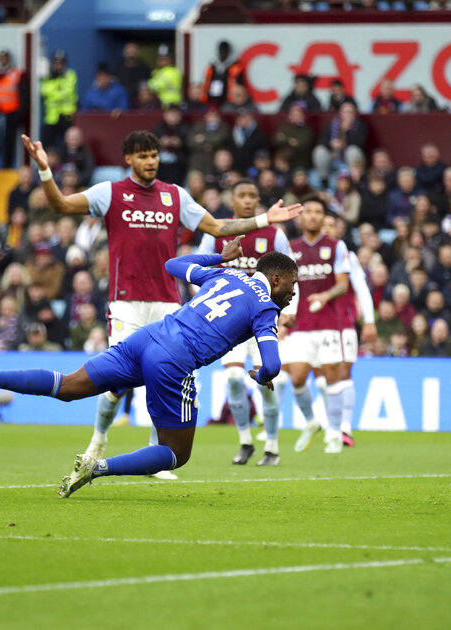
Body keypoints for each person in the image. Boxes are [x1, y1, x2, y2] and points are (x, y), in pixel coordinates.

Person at [19, 130, 303, 478]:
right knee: (120, 383)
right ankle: (100, 439)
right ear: (128, 159)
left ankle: (155, 458)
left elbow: (217, 226)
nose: (150, 161)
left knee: (166, 375)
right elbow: (62, 205)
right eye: (143, 155)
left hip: (168, 301)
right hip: (126, 300)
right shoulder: (110, 193)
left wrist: (263, 220)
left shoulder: (175, 196)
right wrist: (46, 171)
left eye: (154, 154)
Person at [0, 242, 298, 498]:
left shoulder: (225, 277)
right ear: (278, 279)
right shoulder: (266, 307)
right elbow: (271, 364)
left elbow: (175, 263)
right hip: (175, 361)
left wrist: (221, 256)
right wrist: (261, 377)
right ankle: (96, 467)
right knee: (177, 453)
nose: (293, 295)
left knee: (69, 386)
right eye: (293, 286)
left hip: (148, 337)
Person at [197, 180, 294, 466]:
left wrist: (289, 311)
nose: (248, 200)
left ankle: (273, 447)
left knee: (266, 382)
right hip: (230, 323)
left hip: (263, 321)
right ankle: (245, 442)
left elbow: (291, 274)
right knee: (235, 379)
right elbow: (199, 271)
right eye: (242, 195)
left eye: (253, 195)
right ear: (233, 199)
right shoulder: (216, 231)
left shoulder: (273, 234)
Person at [287, 196, 352, 454]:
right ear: (301, 217)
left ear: (324, 217)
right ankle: (312, 421)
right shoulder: (291, 248)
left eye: (318, 212)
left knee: (332, 379)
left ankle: (334, 432)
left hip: (328, 324)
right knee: (298, 377)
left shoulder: (336, 246)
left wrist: (325, 295)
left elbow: (343, 284)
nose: (313, 216)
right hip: (301, 325)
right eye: (308, 212)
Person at [322, 213, 376, 448]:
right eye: (325, 225)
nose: (327, 230)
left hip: (343, 323)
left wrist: (370, 321)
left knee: (344, 372)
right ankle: (327, 424)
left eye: (332, 226)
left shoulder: (347, 256)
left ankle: (344, 427)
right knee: (318, 376)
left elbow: (361, 288)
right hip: (312, 327)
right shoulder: (304, 255)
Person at [0, 49, 26, 169]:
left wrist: (19, 114)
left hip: (11, 114)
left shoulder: (17, 74)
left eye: (5, 57)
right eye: (1, 57)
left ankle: (7, 166)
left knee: (9, 143)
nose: (3, 60)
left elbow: (24, 96)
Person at [39, 51, 77, 147]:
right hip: (52, 117)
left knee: (69, 144)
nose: (58, 66)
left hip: (67, 116)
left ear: (64, 64)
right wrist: (56, 83)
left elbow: (68, 92)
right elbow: (44, 92)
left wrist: (54, 88)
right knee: (45, 144)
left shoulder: (71, 75)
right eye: (55, 63)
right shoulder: (48, 77)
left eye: (60, 63)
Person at [201, 41, 246, 107]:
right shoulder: (212, 65)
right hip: (212, 97)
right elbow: (207, 81)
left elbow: (240, 82)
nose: (223, 52)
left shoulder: (235, 65)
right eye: (221, 50)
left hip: (229, 98)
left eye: (225, 50)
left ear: (228, 51)